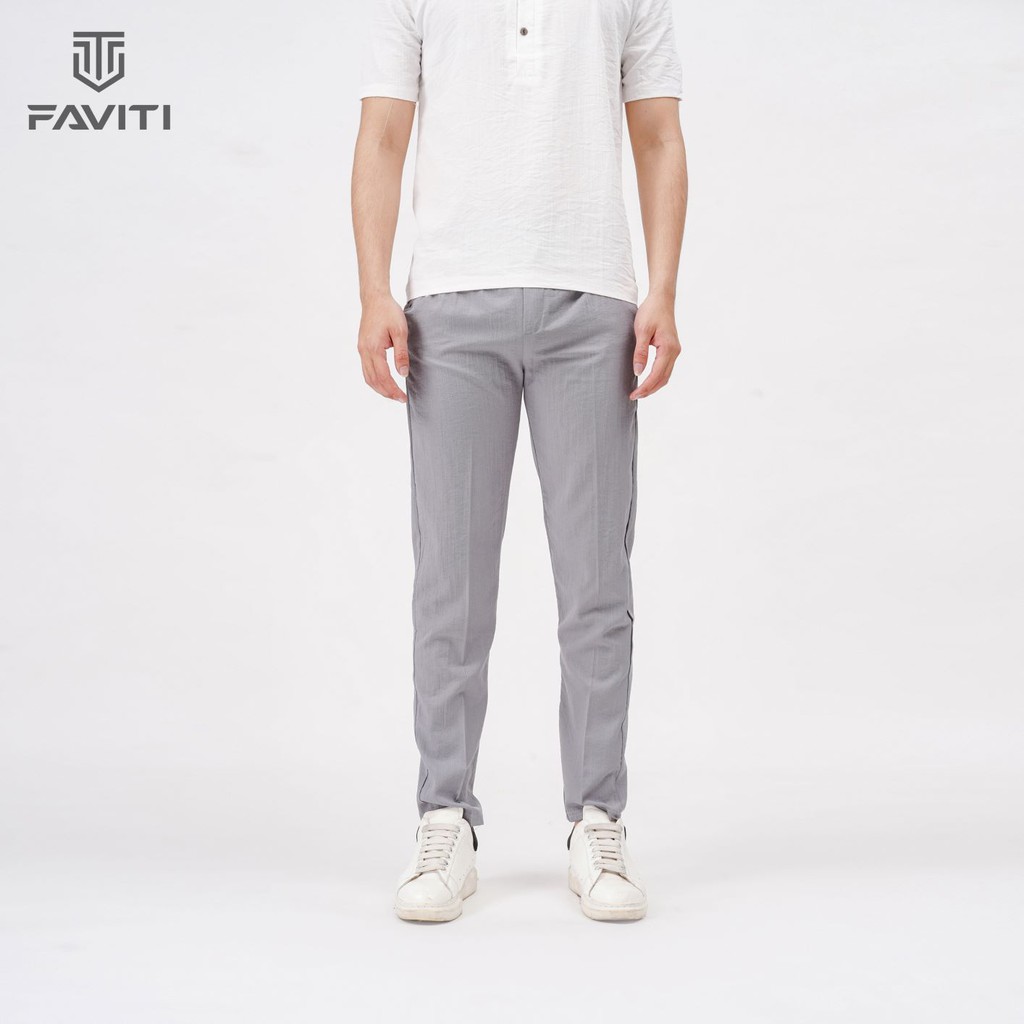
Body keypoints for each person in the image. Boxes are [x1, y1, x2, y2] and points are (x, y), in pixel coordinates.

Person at [351, 0, 687, 923]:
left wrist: (662, 288)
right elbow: (383, 132)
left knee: (596, 584)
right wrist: (375, 289)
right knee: (450, 587)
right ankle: (444, 817)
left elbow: (658, 134)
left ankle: (596, 821)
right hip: (451, 302)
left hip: (594, 303)